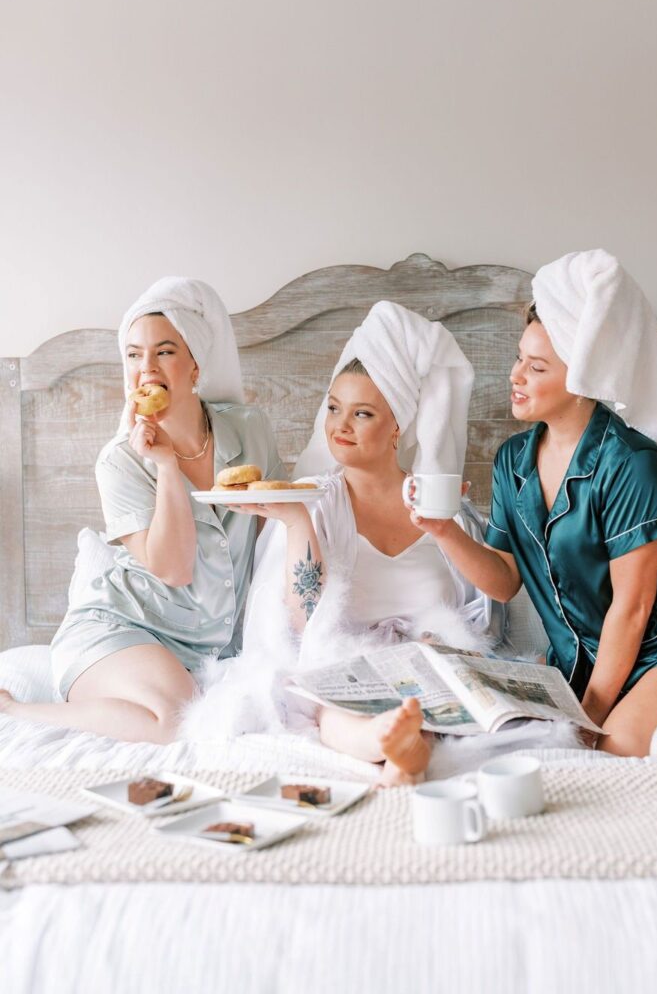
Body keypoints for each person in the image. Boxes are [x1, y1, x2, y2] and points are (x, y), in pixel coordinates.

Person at [409, 250, 657, 757]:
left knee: (612, 751)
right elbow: (505, 582)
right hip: (591, 662)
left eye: (536, 367)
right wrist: (442, 530)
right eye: (518, 358)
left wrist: (591, 716)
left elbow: (632, 610)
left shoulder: (633, 465)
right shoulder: (513, 462)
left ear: (582, 379)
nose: (515, 376)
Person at [230, 300, 503, 784]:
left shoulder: (441, 510)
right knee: (323, 707)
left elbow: (486, 611)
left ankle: (408, 745)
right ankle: (385, 741)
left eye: (362, 414)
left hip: (429, 669)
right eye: (333, 408)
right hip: (347, 675)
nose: (339, 426)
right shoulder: (316, 505)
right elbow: (301, 624)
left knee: (436, 690)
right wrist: (296, 521)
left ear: (397, 426)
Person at [0, 278, 284, 742]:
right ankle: (15, 710)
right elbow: (172, 568)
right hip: (121, 628)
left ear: (195, 365)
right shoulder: (119, 461)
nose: (146, 368)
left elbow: (273, 539)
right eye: (133, 355)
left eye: (164, 352)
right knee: (177, 720)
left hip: (212, 646)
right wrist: (167, 466)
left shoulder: (251, 430)